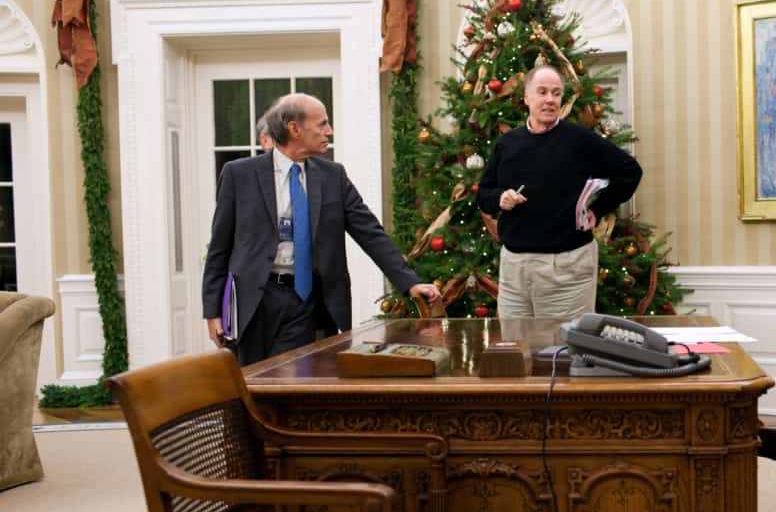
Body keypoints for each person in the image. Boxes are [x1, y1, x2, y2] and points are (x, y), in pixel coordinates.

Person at [201, 92, 441, 365]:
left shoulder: (333, 177)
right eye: (322, 124)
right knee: (252, 385)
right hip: (254, 301)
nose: (329, 131)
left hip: (309, 302)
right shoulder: (238, 174)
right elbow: (219, 247)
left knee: (294, 382)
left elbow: (370, 233)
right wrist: (212, 311)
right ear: (294, 129)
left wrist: (409, 283)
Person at [476, 64, 642, 318]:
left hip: (568, 269)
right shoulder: (507, 143)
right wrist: (500, 198)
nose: (549, 99)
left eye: (556, 93)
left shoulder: (580, 140)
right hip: (514, 270)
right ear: (527, 98)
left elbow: (630, 172)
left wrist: (597, 210)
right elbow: (484, 196)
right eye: (542, 92)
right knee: (517, 350)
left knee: (562, 353)